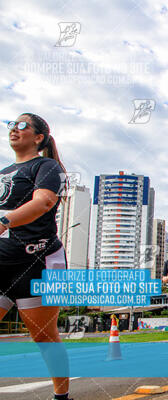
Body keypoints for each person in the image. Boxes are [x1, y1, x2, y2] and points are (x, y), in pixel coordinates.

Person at [0, 114, 71, 400]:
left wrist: (5, 222)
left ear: (38, 136)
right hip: (1, 263)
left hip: (37, 263)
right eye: (10, 125)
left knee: (44, 337)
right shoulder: (4, 171)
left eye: (21, 126)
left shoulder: (46, 166)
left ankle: (62, 396)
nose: (13, 130)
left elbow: (43, 201)